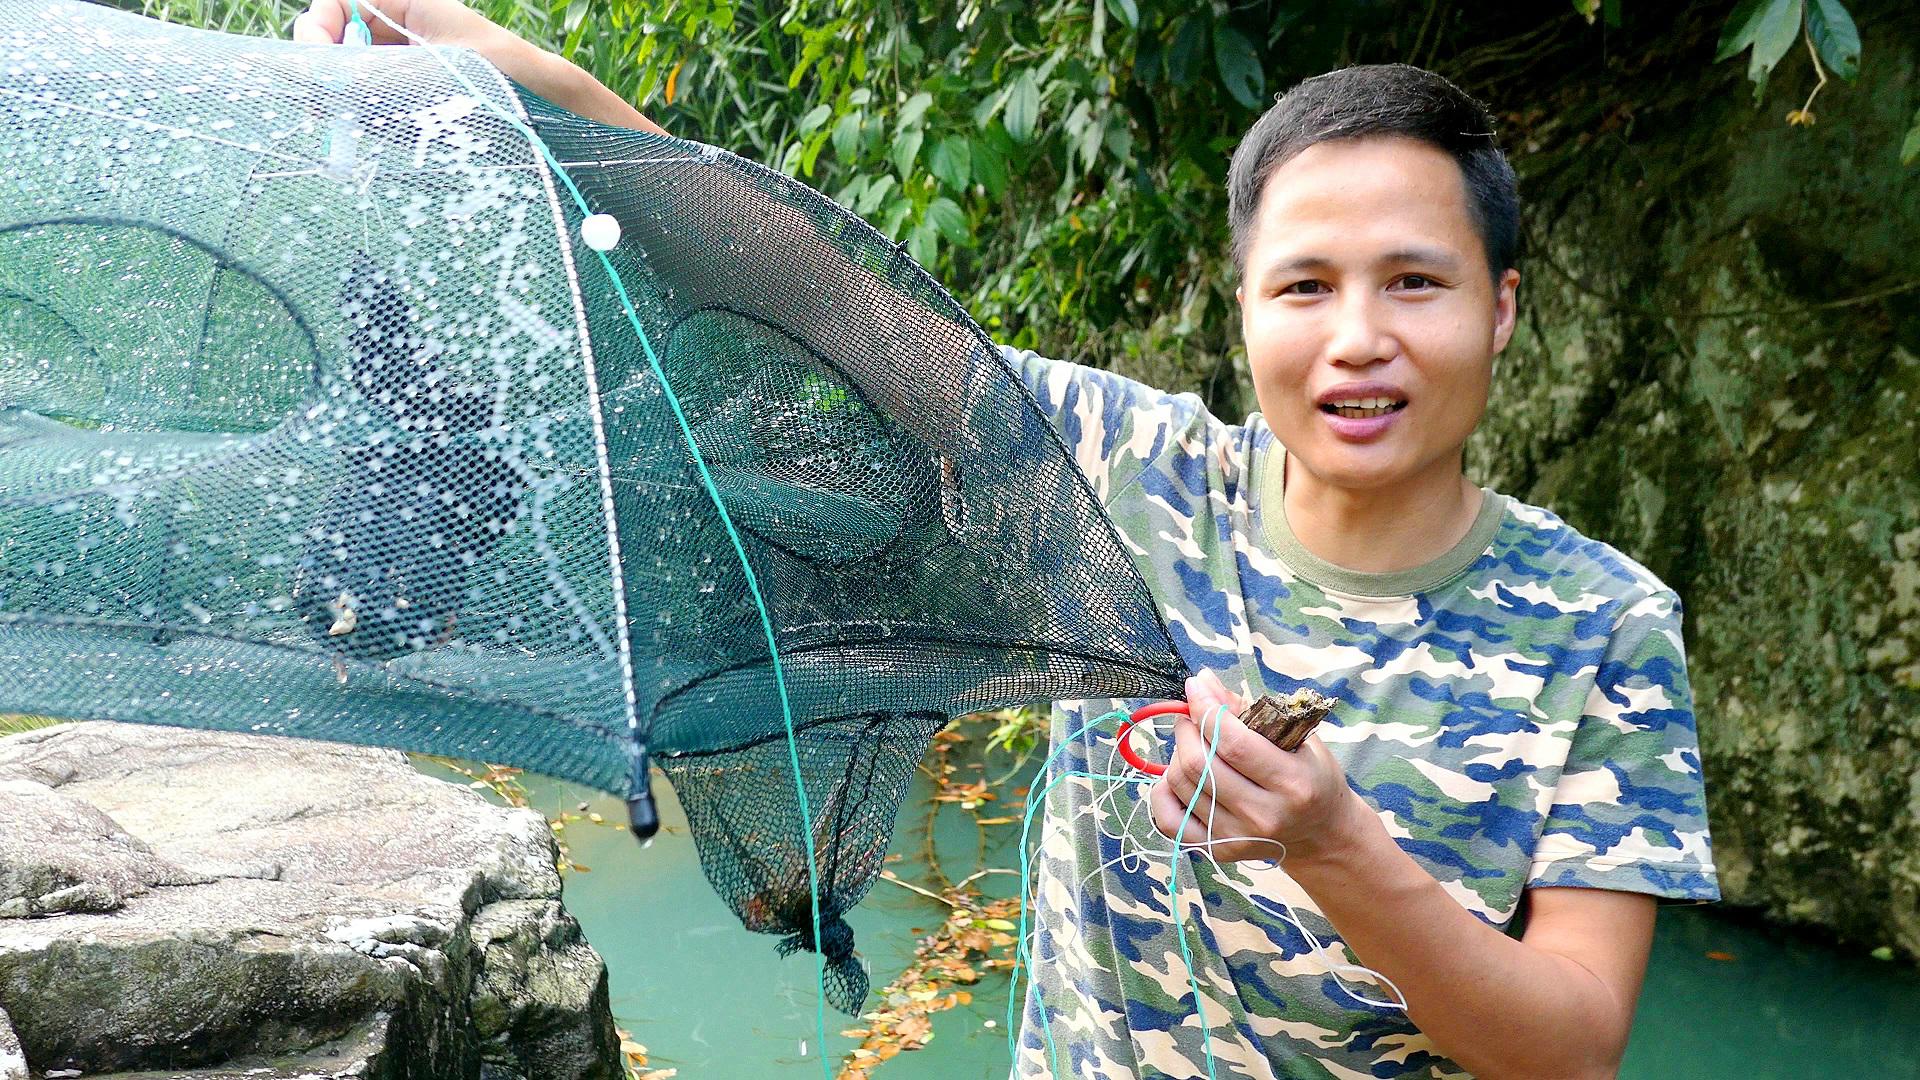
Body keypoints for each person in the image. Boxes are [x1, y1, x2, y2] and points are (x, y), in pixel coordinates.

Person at [293, 5, 1718, 1077]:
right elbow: (805, 281)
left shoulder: (1600, 627)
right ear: (1245, 312)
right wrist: (505, 69)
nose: (1358, 339)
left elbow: (1572, 1043)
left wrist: (1340, 846)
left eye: (1416, 282)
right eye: (1305, 285)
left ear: (1504, 307)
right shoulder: (1119, 473)